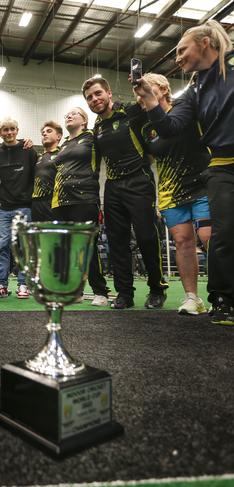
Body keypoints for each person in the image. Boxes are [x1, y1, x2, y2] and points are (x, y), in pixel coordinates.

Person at [134, 20, 233, 325]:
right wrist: (150, 101)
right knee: (223, 236)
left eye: (181, 50)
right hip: (221, 166)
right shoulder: (193, 91)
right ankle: (224, 300)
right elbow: (170, 128)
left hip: (201, 176)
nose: (177, 58)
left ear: (204, 42)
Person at [84, 76, 168, 309]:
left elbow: (154, 112)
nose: (94, 99)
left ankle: (156, 289)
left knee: (146, 236)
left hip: (139, 181)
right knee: (116, 242)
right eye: (89, 97)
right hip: (112, 187)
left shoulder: (131, 112)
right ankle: (125, 294)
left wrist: (143, 88)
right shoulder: (97, 128)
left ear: (109, 93)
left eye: (98, 93)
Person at [139, 73, 211, 315]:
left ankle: (225, 294)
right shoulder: (149, 126)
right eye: (138, 93)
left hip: (201, 183)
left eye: (146, 89)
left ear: (163, 88)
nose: (141, 96)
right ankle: (193, 298)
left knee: (211, 238)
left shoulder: (185, 108)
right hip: (170, 190)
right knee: (182, 242)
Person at [51, 107, 110, 306]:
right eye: (66, 114)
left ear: (84, 121)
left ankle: (100, 291)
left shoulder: (92, 137)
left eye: (73, 114)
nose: (68, 115)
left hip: (84, 199)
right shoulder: (65, 143)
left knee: (88, 246)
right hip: (61, 202)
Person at [0, 117, 38, 299]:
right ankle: (1, 284)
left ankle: (23, 284)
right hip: (5, 209)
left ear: (17, 130)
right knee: (2, 246)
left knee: (23, 247)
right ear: (0, 133)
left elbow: (35, 176)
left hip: (25, 208)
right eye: (5, 130)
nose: (9, 133)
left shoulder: (29, 150)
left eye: (12, 129)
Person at [31, 121, 62, 222]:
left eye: (49, 131)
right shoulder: (38, 157)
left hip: (53, 202)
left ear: (58, 136)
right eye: (43, 132)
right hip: (36, 203)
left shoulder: (62, 154)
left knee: (53, 236)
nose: (44, 133)